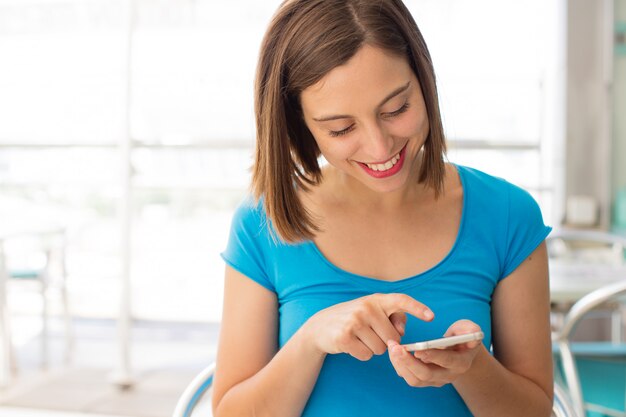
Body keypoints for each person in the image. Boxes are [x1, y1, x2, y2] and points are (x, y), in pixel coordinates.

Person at [212, 0, 554, 416]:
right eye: (341, 128)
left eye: (396, 109)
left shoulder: (507, 215)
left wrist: (472, 367)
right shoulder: (263, 223)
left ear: (424, 81)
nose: (379, 147)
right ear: (298, 122)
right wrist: (312, 338)